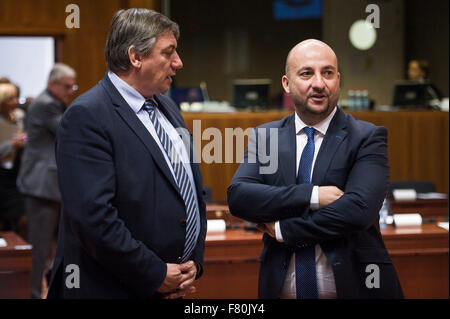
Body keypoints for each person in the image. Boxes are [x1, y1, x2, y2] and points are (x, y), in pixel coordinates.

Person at [47, 8, 207, 299]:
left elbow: (190, 192)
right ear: (136, 57)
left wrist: (193, 262)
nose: (178, 62)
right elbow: (93, 218)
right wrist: (155, 274)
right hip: (108, 289)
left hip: (168, 287)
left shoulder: (168, 107)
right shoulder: (87, 116)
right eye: (168, 52)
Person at [227, 39, 403, 299]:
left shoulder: (366, 137)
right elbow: (240, 197)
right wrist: (312, 196)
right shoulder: (267, 137)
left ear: (338, 80)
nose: (319, 83)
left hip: (358, 287)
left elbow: (358, 211)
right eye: (307, 73)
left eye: (328, 73)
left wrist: (285, 230)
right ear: (287, 84)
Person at [16, 62, 77, 299]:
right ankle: (33, 294)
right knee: (39, 248)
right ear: (52, 84)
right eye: (66, 86)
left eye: (73, 86)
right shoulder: (47, 104)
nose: (71, 91)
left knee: (55, 247)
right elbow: (68, 131)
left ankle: (55, 291)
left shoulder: (52, 101)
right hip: (42, 185)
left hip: (49, 185)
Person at [0, 83, 27, 239]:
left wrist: (24, 139)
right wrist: (12, 144)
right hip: (1, 174)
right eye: (11, 98)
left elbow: (25, 136)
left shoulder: (18, 117)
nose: (15, 101)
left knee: (22, 219)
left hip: (13, 173)